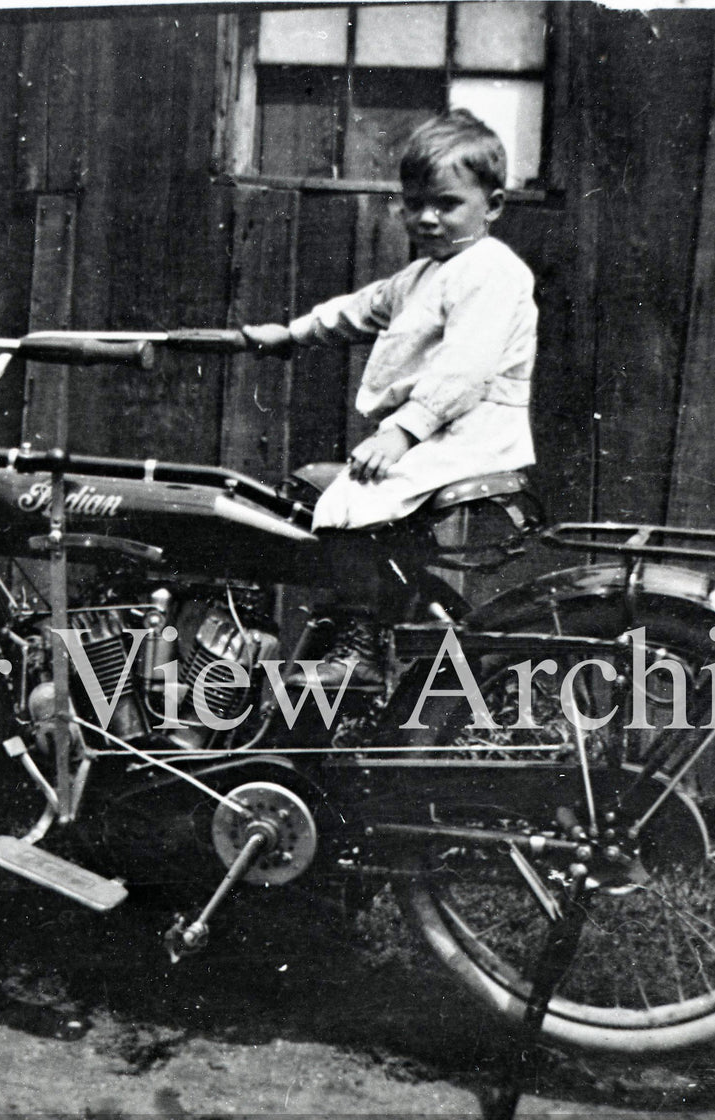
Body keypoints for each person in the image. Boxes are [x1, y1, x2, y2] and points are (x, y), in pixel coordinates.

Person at [242, 109, 537, 689]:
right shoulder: (427, 273)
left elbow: (466, 368)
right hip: (440, 429)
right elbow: (363, 308)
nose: (426, 217)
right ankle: (346, 620)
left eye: (447, 204)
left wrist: (401, 431)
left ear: (493, 206)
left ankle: (361, 653)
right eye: (414, 202)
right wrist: (292, 333)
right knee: (307, 490)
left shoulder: (492, 273)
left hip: (469, 432)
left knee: (356, 501)